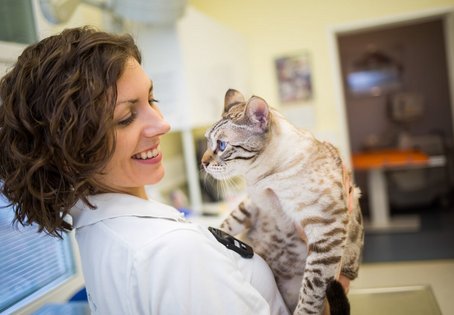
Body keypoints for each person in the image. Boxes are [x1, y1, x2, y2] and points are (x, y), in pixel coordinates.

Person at [0, 26, 291, 315]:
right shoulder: (174, 252)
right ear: (69, 152)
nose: (162, 124)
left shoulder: (100, 233)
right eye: (126, 117)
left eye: (152, 99)